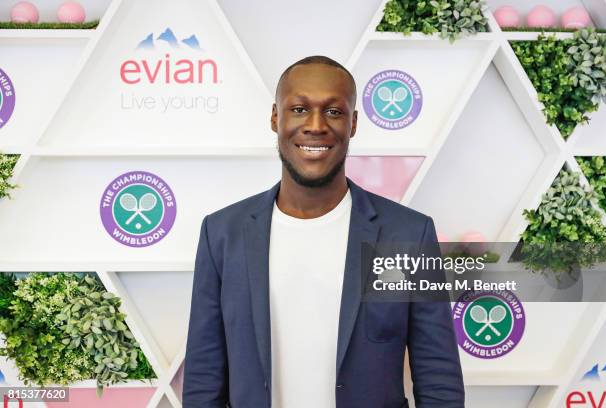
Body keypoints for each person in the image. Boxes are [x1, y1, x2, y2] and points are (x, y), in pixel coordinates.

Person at [182, 55, 464, 408]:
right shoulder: (222, 233)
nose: (316, 125)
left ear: (354, 123)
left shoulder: (407, 234)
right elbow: (204, 378)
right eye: (299, 109)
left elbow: (437, 375)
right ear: (275, 117)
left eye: (333, 111)